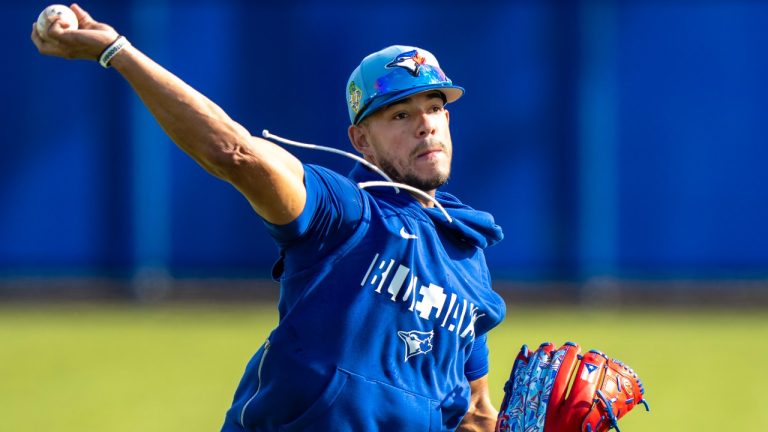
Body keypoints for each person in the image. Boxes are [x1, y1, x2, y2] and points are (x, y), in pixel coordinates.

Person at [32, 4, 506, 431]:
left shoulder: (469, 256)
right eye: (398, 115)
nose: (425, 123)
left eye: (434, 107)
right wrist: (119, 51)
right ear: (361, 141)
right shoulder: (343, 212)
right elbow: (236, 153)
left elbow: (474, 413)